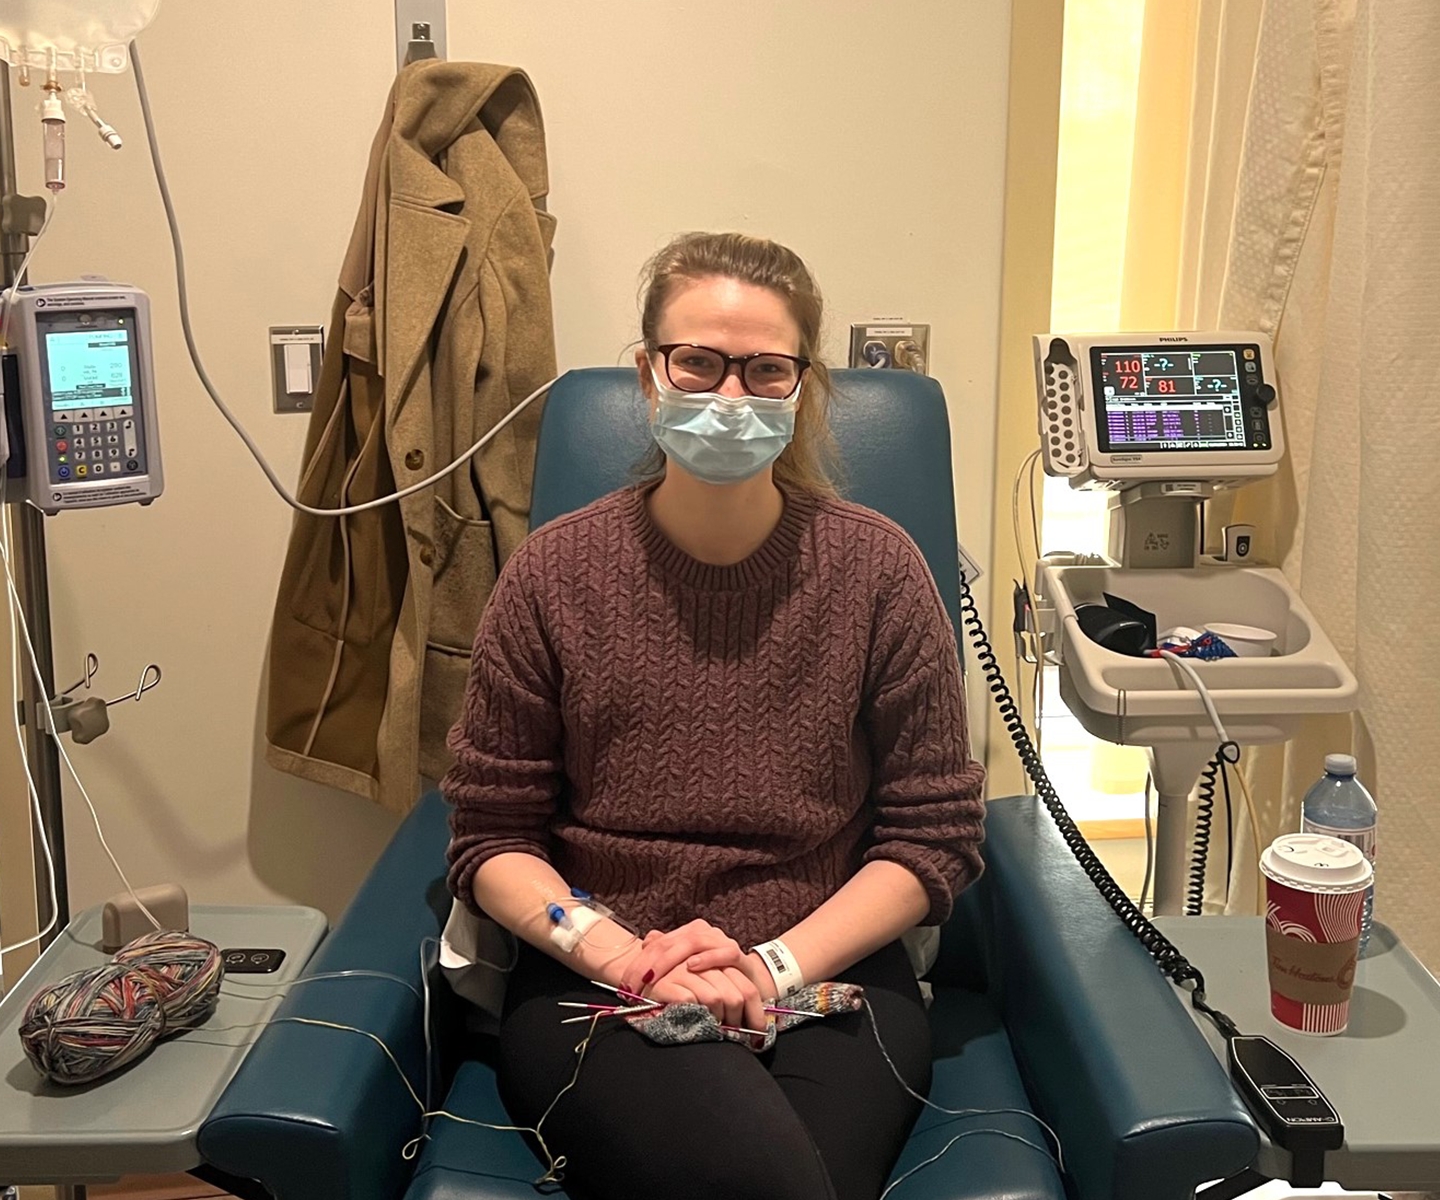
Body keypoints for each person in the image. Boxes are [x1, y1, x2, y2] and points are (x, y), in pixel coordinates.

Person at [442, 231, 985, 1200]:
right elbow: (491, 838)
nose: (728, 396)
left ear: (803, 389)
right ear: (649, 376)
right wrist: (627, 957)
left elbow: (935, 838)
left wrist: (772, 967)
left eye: (765, 369)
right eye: (697, 362)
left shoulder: (880, 574)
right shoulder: (553, 576)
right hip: (598, 979)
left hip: (830, 976)